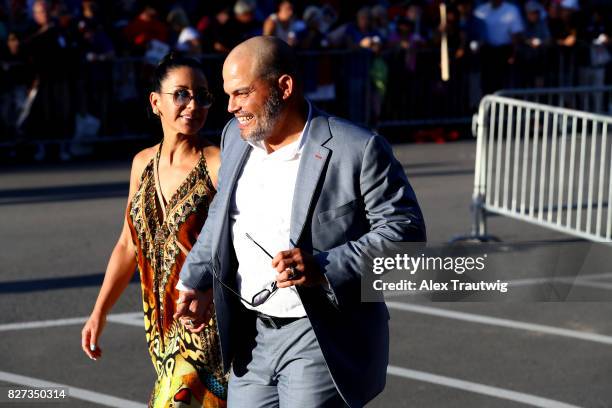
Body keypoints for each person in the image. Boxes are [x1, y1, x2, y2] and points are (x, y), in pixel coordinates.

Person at [175, 36, 426, 407]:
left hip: (321, 335)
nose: (231, 108)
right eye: (228, 95)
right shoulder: (235, 138)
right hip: (252, 337)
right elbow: (222, 215)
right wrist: (194, 278)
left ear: (284, 87)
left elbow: (407, 233)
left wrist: (324, 266)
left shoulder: (356, 147)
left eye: (242, 93)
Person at [81, 53, 227, 407]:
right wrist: (99, 312)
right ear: (155, 102)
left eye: (202, 96)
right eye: (181, 94)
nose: (193, 105)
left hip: (205, 328)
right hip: (159, 330)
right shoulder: (142, 164)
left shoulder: (218, 163)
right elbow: (127, 245)